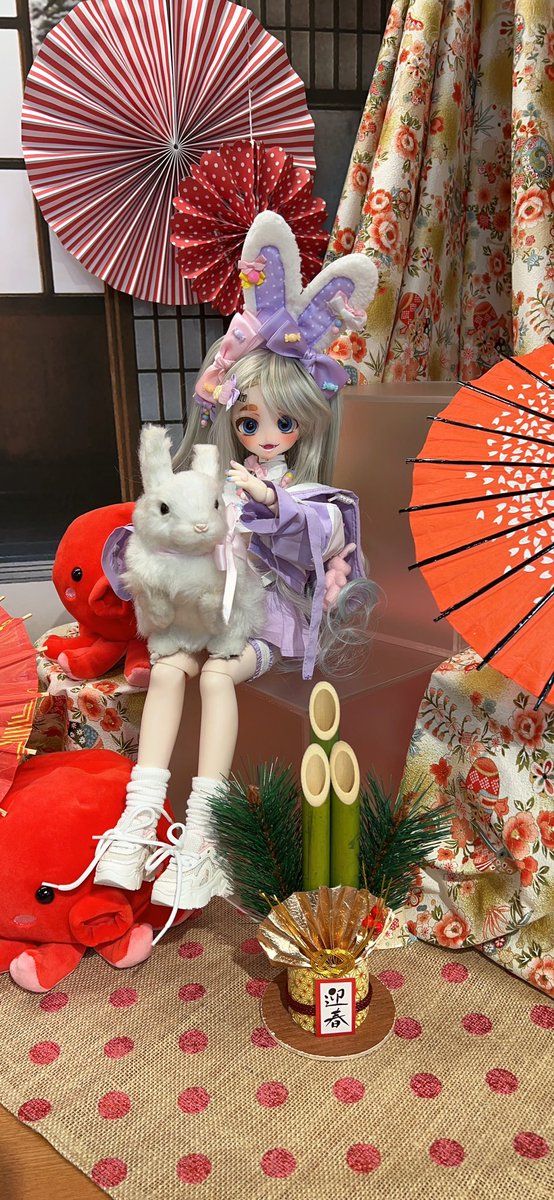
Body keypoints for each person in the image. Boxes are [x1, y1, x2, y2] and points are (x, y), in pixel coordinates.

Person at [93, 212, 379, 911]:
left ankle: (203, 832)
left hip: (266, 622)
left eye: (283, 423)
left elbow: (320, 532)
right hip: (206, 610)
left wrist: (268, 501)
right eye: (249, 422)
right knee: (169, 666)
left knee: (218, 677)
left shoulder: (310, 495)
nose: (265, 436)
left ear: (306, 425)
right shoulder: (218, 477)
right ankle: (138, 816)